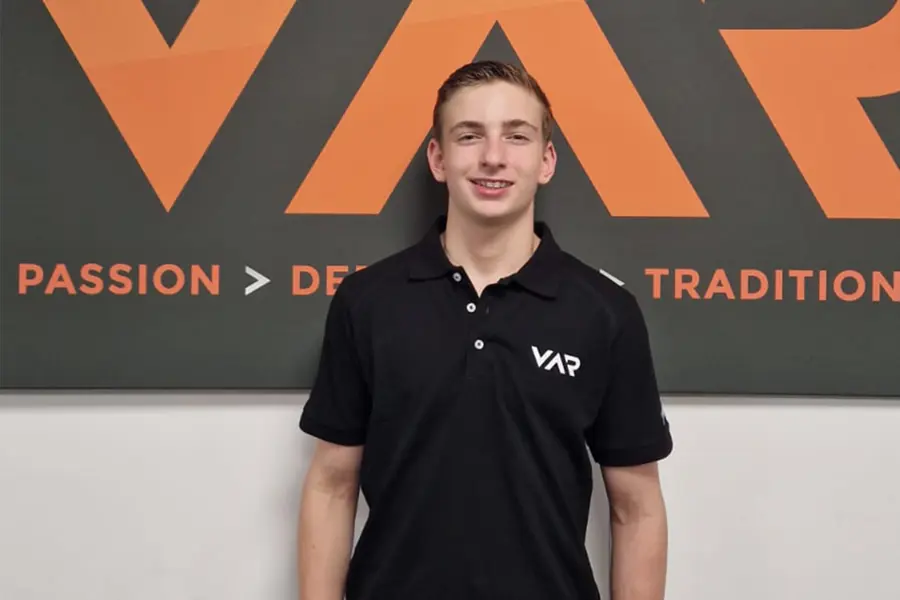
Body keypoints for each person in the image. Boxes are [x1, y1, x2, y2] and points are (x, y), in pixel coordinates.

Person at [296, 60, 672, 600]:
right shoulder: (368, 301)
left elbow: (637, 509)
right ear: (438, 158)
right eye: (469, 135)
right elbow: (332, 486)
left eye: (516, 136)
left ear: (546, 161)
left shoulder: (605, 312)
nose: (493, 156)